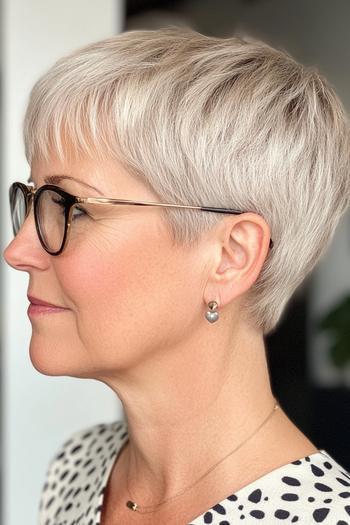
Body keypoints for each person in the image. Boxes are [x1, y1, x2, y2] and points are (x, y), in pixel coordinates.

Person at [3, 26, 350, 525]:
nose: (18, 250)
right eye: (34, 201)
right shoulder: (79, 468)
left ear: (229, 256)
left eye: (70, 208)